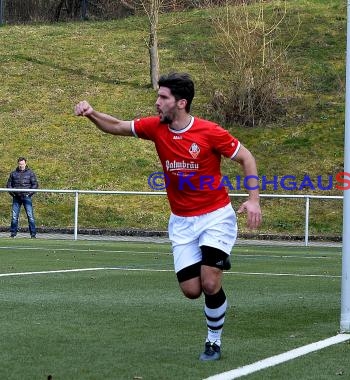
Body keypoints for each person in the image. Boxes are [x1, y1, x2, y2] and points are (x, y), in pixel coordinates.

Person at [74, 72, 262, 361]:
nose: (157, 102)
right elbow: (117, 126)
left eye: (163, 97)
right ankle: (210, 260)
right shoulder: (155, 128)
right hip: (182, 221)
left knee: (210, 283)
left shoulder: (210, 132)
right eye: (158, 96)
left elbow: (247, 157)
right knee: (191, 291)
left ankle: (213, 341)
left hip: (215, 217)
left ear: (181, 103)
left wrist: (253, 200)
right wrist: (91, 113)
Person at [7, 157, 38, 238]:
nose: (21, 165)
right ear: (18, 164)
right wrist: (13, 194)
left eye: (22, 164)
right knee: (14, 216)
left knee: (30, 215)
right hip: (16, 197)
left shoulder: (31, 173)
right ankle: (13, 234)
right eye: (20, 164)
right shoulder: (13, 173)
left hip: (26, 197)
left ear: (25, 163)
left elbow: (35, 185)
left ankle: (33, 234)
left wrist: (29, 194)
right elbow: (9, 185)